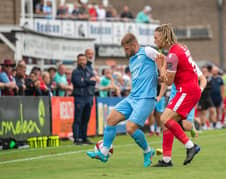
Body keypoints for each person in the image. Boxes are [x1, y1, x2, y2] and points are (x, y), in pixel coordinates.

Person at [87, 33, 163, 167]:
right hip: (133, 97)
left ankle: (147, 151)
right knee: (111, 119)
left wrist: (162, 72)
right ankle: (104, 152)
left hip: (146, 98)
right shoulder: (132, 59)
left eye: (127, 49)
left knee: (130, 128)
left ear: (134, 45)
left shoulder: (147, 51)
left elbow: (163, 58)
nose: (125, 52)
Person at [152, 24, 203, 166]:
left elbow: (168, 82)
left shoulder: (173, 55)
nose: (154, 41)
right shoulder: (180, 48)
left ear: (163, 37)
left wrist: (160, 67)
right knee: (168, 122)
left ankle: (191, 146)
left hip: (186, 91)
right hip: (190, 89)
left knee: (164, 118)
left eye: (156, 38)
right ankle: (167, 160)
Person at [71, 54, 96, 145]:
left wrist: (85, 81)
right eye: (80, 60)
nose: (82, 61)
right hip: (79, 97)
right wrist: (89, 81)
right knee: (78, 118)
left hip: (88, 97)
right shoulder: (75, 72)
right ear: (77, 61)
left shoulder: (89, 70)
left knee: (86, 119)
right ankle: (76, 138)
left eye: (83, 60)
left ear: (86, 61)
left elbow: (94, 81)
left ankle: (84, 137)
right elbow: (78, 83)